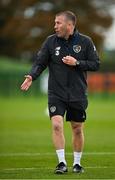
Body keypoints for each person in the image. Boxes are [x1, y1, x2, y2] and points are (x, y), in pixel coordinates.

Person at [21, 11, 100, 174]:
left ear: (69, 25)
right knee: (57, 125)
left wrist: (77, 62)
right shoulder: (50, 42)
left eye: (58, 23)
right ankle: (62, 163)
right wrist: (32, 76)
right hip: (56, 92)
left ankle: (77, 163)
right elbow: (40, 63)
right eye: (55, 23)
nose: (55, 26)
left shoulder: (85, 42)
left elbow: (95, 64)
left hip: (77, 93)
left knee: (77, 128)